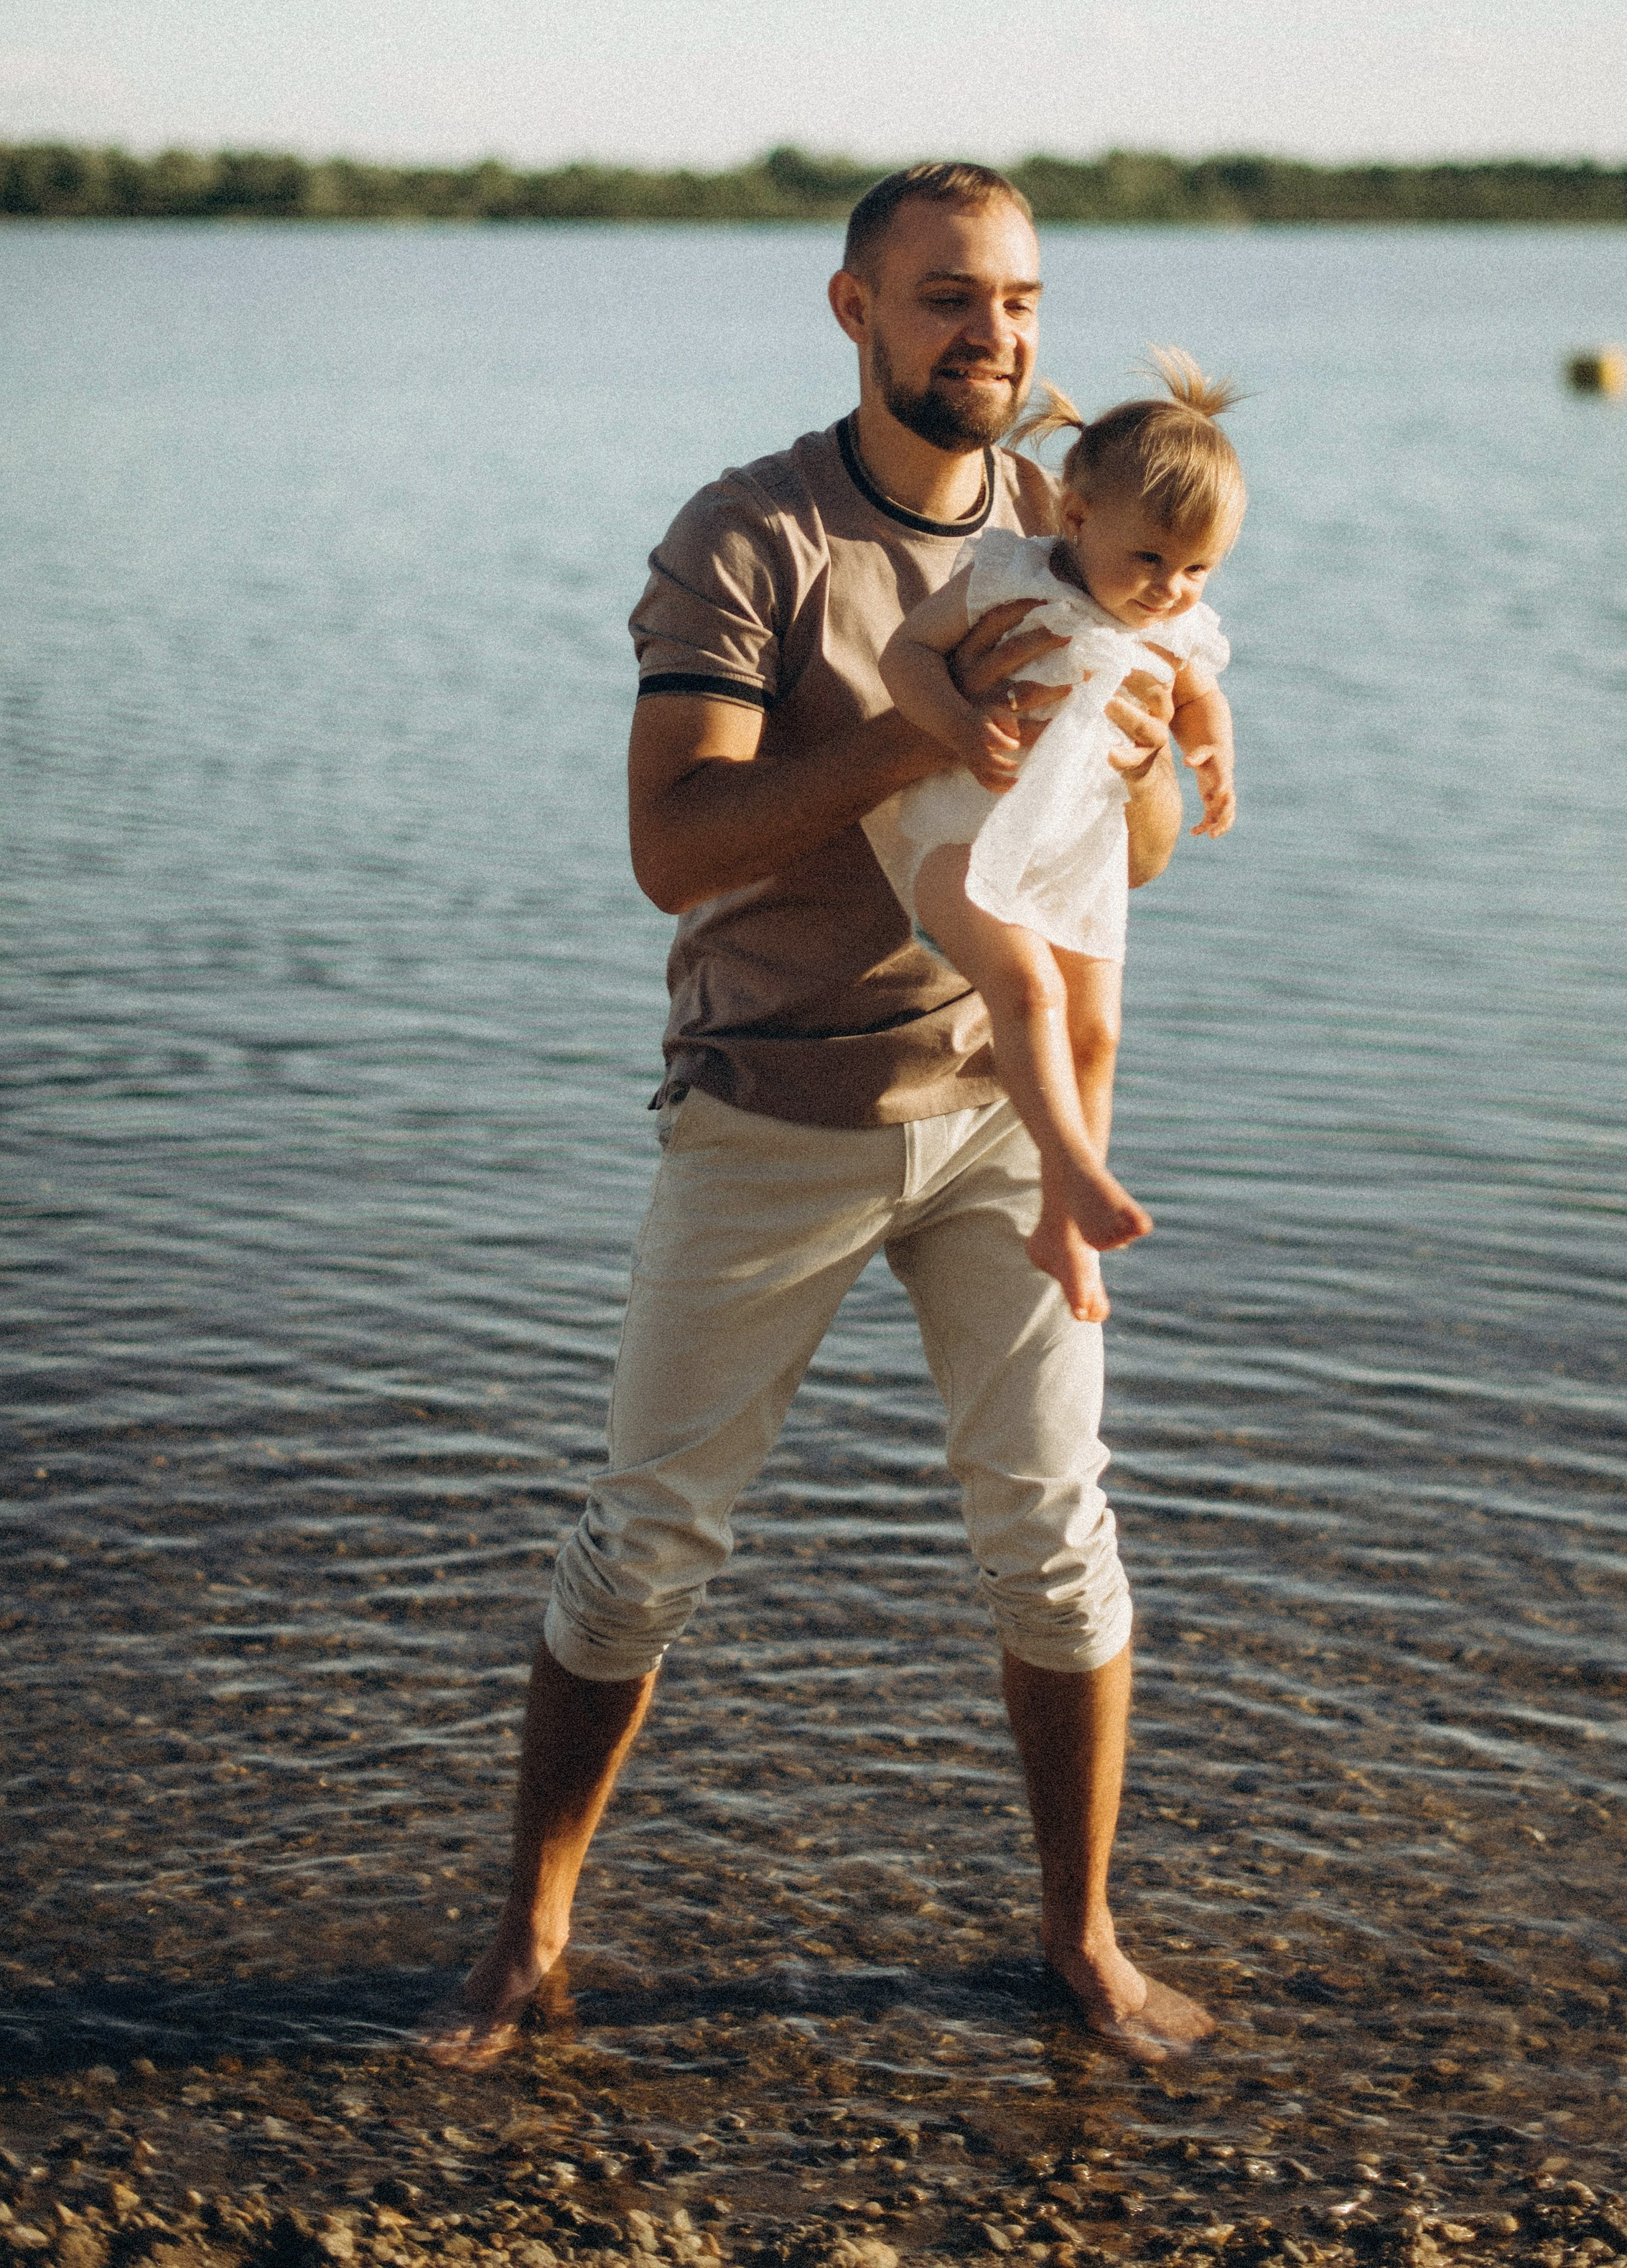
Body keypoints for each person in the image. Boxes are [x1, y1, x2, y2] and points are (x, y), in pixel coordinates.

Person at [426, 162, 1216, 2069]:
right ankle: (531, 1937)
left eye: (1019, 297)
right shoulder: (752, 537)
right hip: (770, 1102)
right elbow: (668, 848)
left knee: (1056, 1535)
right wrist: (907, 734)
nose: (995, 332)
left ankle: (1079, 1942)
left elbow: (1143, 854)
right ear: (854, 308)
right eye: (950, 296)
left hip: (1001, 1104)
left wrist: (1142, 763)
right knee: (646, 1543)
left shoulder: (1078, 516)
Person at [870, 355, 1244, 1326]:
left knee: (1098, 1031)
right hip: (963, 838)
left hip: (1079, 852)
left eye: (1199, 568)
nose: (1170, 590)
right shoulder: (1009, 575)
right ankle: (1078, 1175)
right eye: (1151, 560)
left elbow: (1201, 695)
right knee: (1026, 988)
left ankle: (1061, 1226)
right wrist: (957, 723)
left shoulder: (1180, 624)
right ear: (1075, 521)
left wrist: (1211, 759)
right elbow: (905, 652)